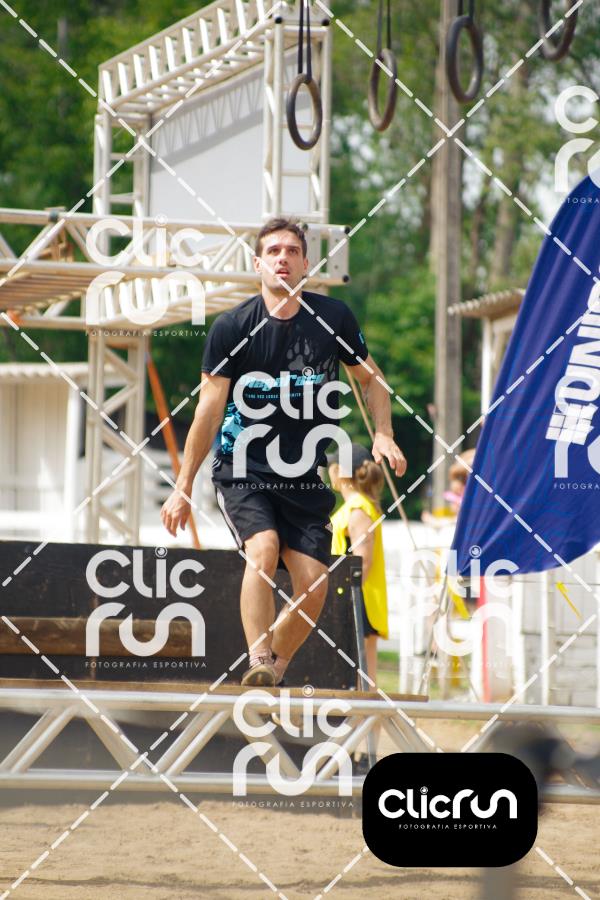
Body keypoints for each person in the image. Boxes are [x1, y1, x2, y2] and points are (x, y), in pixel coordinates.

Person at [160, 216, 407, 687]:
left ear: (306, 264)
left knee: (315, 584)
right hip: (244, 467)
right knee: (264, 548)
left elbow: (372, 379)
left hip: (302, 473)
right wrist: (182, 486)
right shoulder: (233, 327)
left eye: (292, 251)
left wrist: (383, 432)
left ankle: (274, 666)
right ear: (257, 264)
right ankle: (257, 657)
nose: (282, 259)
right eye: (272, 251)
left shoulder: (333, 319)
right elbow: (208, 411)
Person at [328, 444, 389, 686]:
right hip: (356, 596)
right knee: (360, 678)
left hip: (357, 599)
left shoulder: (358, 509)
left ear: (340, 471)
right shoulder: (358, 506)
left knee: (361, 679)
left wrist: (341, 603)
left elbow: (362, 562)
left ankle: (367, 712)